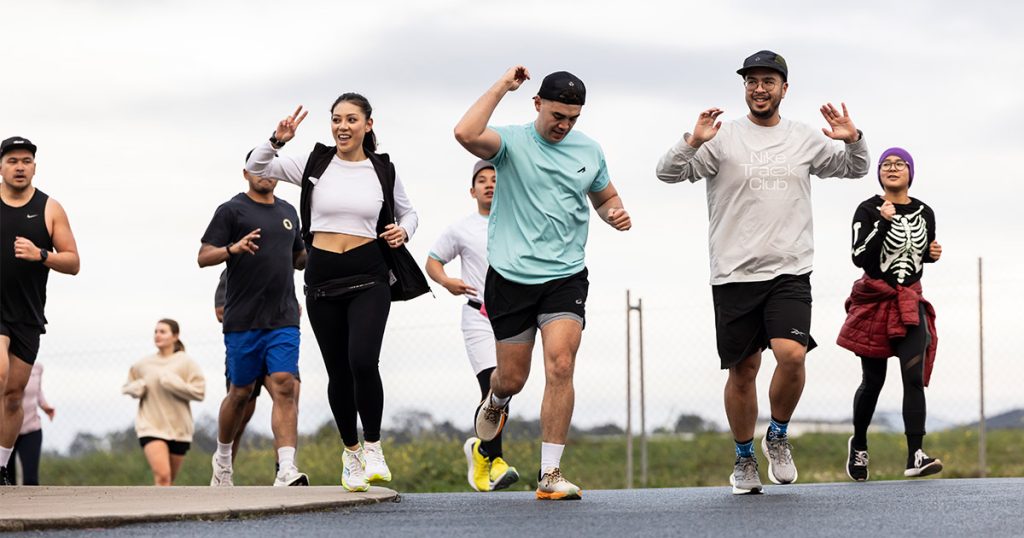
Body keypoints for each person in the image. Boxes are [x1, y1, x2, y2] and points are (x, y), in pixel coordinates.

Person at [655, 50, 870, 494]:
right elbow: (667, 173)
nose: (759, 88)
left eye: (768, 81)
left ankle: (777, 435)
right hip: (733, 272)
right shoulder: (722, 137)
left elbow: (855, 167)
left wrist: (853, 138)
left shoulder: (804, 138)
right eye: (751, 81)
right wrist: (692, 141)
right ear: (745, 89)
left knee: (792, 354)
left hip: (790, 269)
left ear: (783, 89)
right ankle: (743, 458)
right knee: (744, 371)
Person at [454, 67, 632, 500]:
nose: (564, 125)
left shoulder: (589, 150)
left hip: (565, 275)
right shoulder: (511, 143)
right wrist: (502, 86)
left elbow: (605, 195)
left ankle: (550, 474)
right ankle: (495, 400)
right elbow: (464, 132)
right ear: (537, 104)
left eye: (572, 117)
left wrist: (614, 213)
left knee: (561, 364)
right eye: (557, 115)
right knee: (511, 379)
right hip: (511, 278)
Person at [245, 93, 422, 492]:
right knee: (338, 370)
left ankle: (374, 445)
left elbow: (409, 212)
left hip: (370, 275)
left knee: (363, 360)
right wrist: (278, 138)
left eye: (351, 119)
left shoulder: (382, 169)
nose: (343, 127)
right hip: (322, 277)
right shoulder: (315, 162)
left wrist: (403, 231)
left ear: (368, 125)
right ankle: (351, 452)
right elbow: (255, 165)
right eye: (336, 119)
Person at [200, 155, 308, 487]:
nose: (265, 175)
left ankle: (286, 469)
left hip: (284, 317)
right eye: (258, 169)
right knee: (240, 392)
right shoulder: (231, 210)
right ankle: (222, 460)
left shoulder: (289, 212)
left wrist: (323, 245)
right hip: (243, 320)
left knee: (285, 385)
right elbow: (204, 256)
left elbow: (300, 258)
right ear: (246, 173)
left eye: (271, 169)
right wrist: (233, 249)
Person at [837, 147, 942, 481]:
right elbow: (860, 257)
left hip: (909, 302)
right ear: (879, 173)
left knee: (913, 378)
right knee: (874, 381)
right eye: (886, 164)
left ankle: (916, 455)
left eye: (900, 164)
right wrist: (883, 223)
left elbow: (916, 254)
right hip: (876, 302)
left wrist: (931, 255)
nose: (893, 168)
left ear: (911, 172)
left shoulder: (926, 211)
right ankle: (860, 444)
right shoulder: (868, 209)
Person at [425, 160, 519, 492]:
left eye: (495, 179)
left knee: (507, 389)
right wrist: (447, 281)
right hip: (477, 316)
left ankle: (480, 450)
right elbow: (432, 262)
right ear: (472, 190)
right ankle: (495, 460)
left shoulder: (518, 223)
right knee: (492, 387)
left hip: (512, 317)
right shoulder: (461, 229)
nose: (490, 184)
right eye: (482, 180)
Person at [0, 136, 80, 485]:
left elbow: (73, 262)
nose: (20, 166)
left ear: (34, 166)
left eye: (26, 161)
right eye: (12, 160)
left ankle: (1, 466)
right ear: (1, 166)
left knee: (14, 396)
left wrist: (41, 254)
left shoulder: (50, 208)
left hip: (27, 314)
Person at [122, 319, 206, 486]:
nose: (157, 335)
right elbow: (127, 386)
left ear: (175, 336)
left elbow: (199, 392)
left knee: (168, 482)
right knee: (163, 476)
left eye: (163, 331)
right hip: (151, 426)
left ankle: (166, 512)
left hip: (179, 429)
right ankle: (158, 512)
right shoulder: (143, 364)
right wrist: (137, 387)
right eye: (156, 331)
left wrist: (174, 384)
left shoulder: (185, 362)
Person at [6, 362, 54, 485]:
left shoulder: (37, 368)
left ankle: (32, 503)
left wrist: (45, 406)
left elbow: (38, 391)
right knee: (8, 479)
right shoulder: (4, 367)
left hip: (31, 428)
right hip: (7, 432)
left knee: (31, 480)